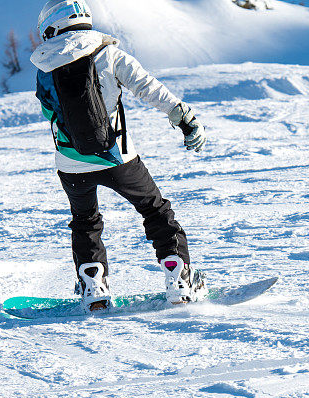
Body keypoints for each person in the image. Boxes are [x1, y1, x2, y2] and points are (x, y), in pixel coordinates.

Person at [31, 0, 208, 312]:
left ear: (51, 25)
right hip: (118, 159)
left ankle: (93, 288)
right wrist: (185, 119)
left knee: (85, 221)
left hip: (70, 165)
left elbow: (50, 112)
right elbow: (150, 88)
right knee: (155, 212)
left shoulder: (45, 65)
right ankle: (179, 280)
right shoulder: (107, 52)